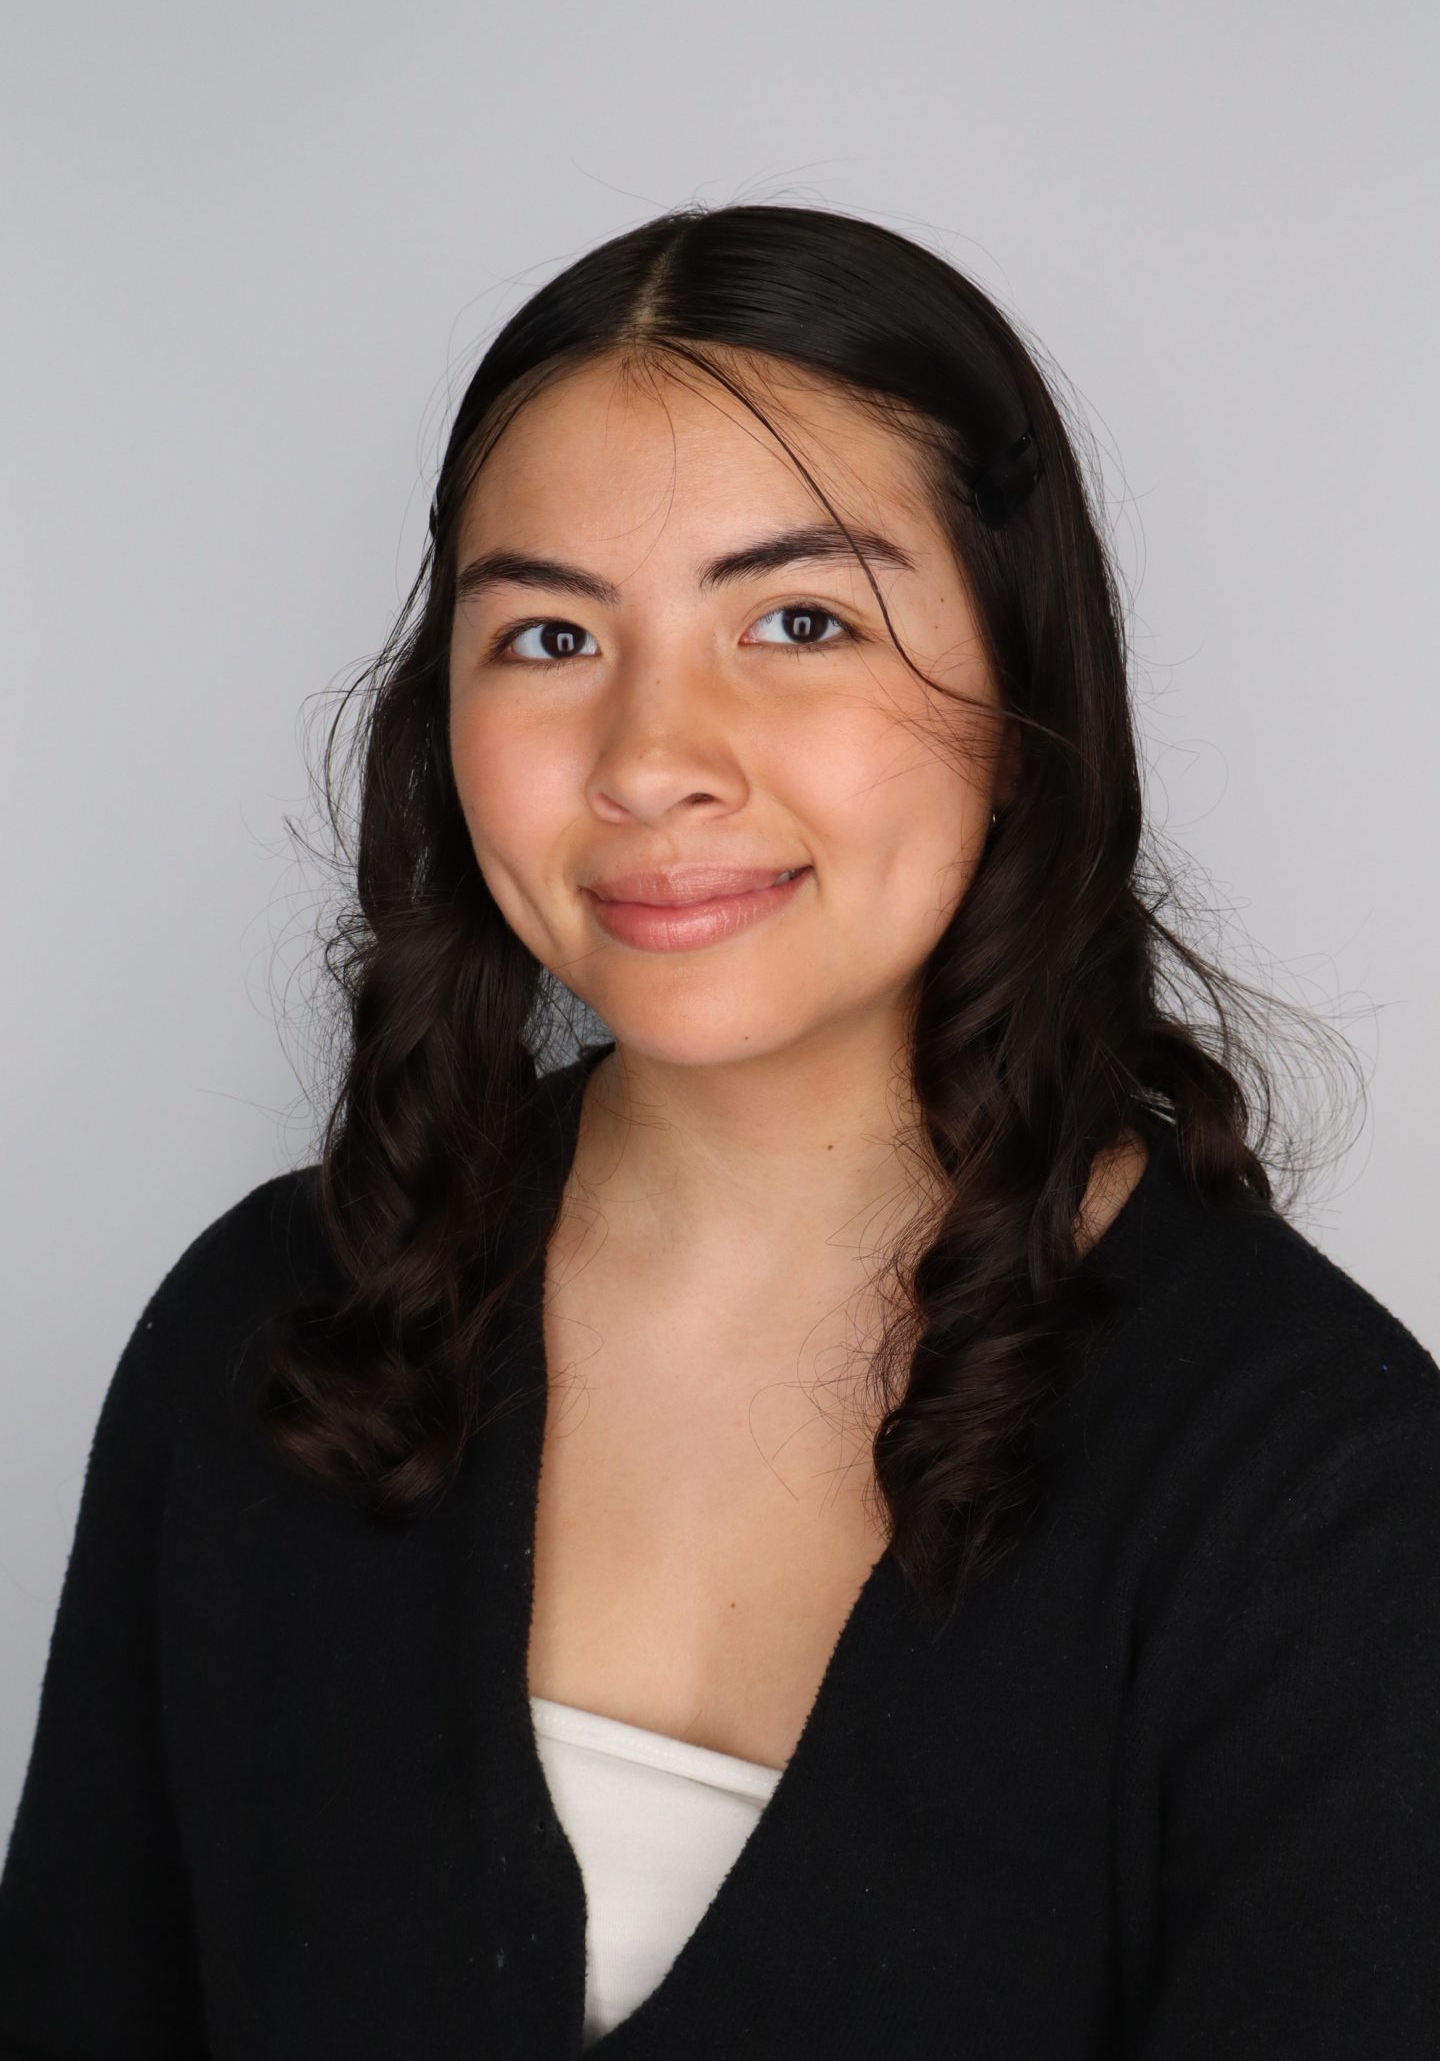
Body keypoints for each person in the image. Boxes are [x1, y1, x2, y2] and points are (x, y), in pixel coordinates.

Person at [1, 202, 1436, 2059]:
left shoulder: (1322, 1500)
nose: (650, 754)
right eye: (544, 634)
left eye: (800, 618)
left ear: (1024, 685)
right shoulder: (272, 1327)